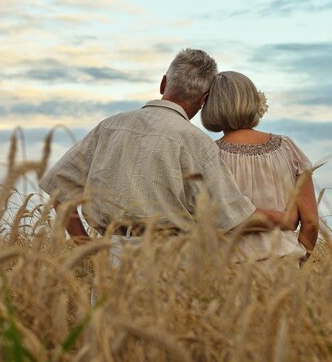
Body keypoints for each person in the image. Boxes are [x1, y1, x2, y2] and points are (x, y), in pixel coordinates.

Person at [40, 49, 292, 247]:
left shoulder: (109, 127)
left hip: (111, 253)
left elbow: (57, 187)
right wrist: (285, 219)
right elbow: (234, 217)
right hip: (169, 258)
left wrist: (84, 245)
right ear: (204, 100)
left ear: (163, 84)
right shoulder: (195, 142)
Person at [201, 71, 319, 262]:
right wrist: (300, 262)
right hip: (284, 263)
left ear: (211, 106)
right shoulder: (288, 149)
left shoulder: (210, 156)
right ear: (253, 101)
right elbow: (311, 223)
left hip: (229, 268)